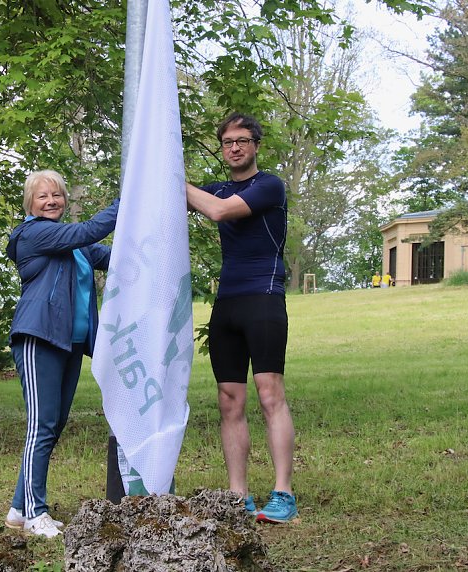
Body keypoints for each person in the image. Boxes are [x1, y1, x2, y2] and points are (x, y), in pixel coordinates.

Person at [185, 112, 297, 524]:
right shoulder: (215, 188)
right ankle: (238, 496)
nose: (234, 147)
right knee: (229, 401)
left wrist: (180, 186)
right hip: (227, 304)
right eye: (228, 142)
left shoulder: (269, 186)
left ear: (255, 145)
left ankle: (283, 495)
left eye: (242, 140)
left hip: (264, 300)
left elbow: (216, 211)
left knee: (270, 395)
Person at [4, 170, 119, 538]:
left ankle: (19, 509)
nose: (51, 201)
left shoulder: (75, 245)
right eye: (42, 196)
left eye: (57, 195)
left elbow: (115, 257)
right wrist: (130, 197)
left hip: (70, 343)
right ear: (30, 204)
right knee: (41, 426)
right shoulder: (35, 233)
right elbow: (87, 230)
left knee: (51, 428)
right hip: (39, 338)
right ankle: (37, 512)